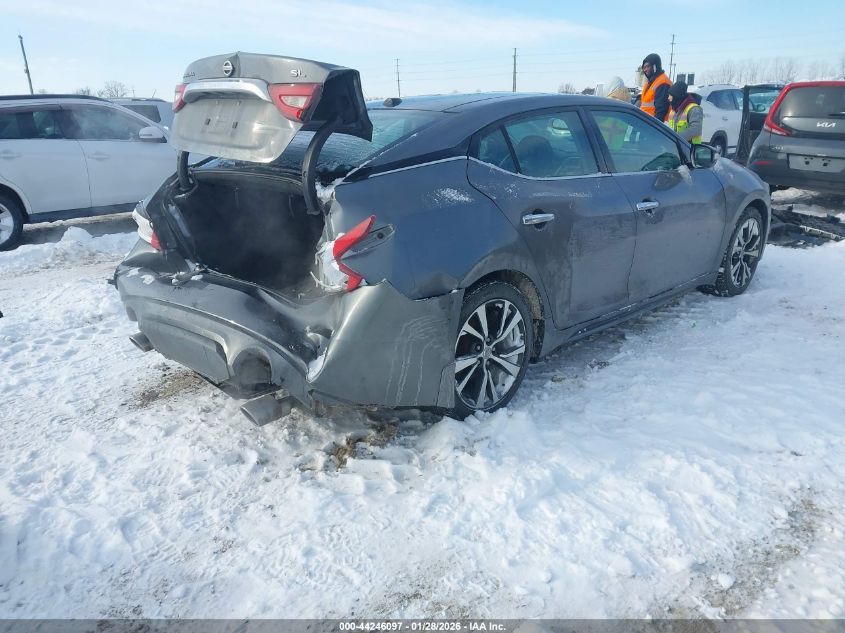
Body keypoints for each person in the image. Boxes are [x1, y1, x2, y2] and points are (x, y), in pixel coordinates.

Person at [598, 77, 631, 149]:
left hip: (602, 149)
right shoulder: (627, 106)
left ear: (608, 87)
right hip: (617, 150)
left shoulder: (606, 104)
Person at [639, 53, 672, 122]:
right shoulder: (649, 83)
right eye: (644, 67)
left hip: (654, 125)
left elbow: (661, 110)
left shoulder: (663, 82)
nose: (645, 70)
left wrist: (654, 128)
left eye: (648, 66)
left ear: (655, 66)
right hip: (646, 123)